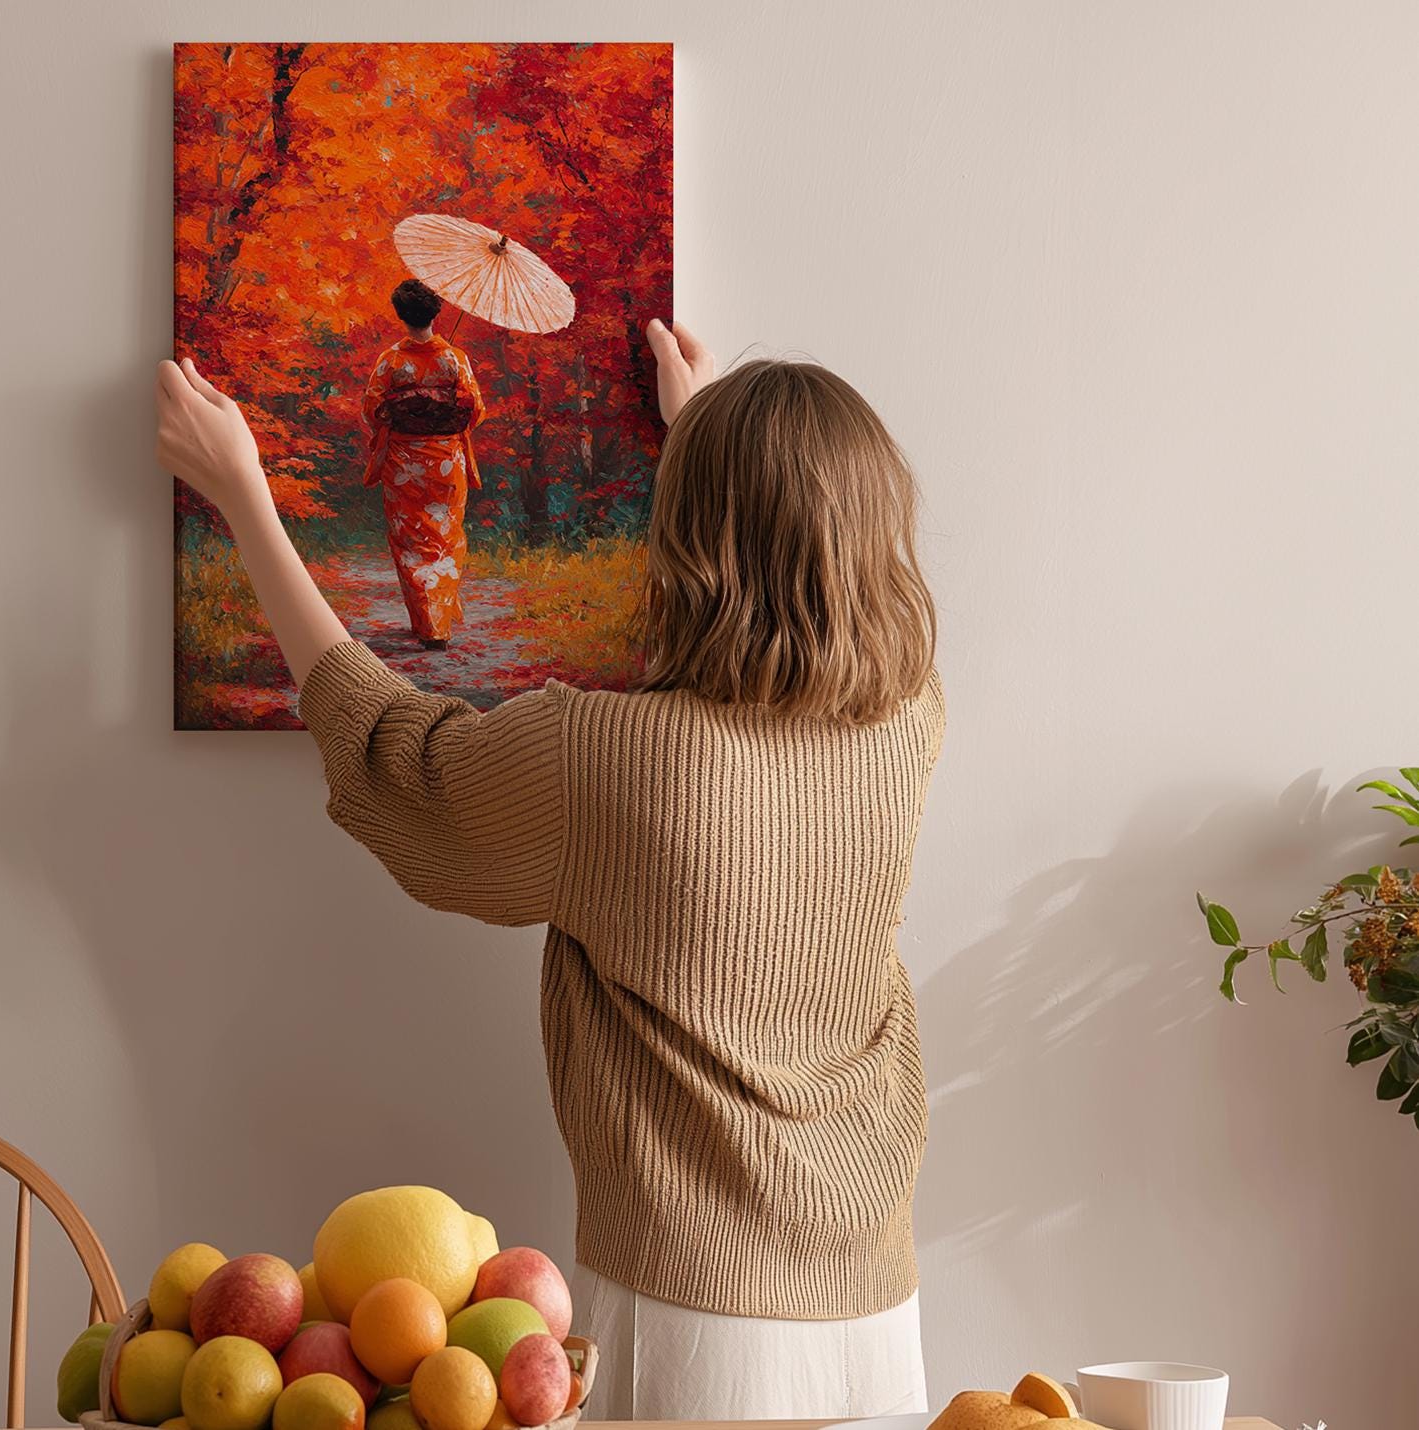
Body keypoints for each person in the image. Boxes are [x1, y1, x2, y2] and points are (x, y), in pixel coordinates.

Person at [154, 317, 943, 1420]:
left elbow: (396, 754)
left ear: (688, 534)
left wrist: (244, 496)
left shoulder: (602, 759)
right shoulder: (907, 722)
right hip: (875, 1299)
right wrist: (701, 434)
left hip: (691, 1312)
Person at [359, 278, 486, 650]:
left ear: (401, 315)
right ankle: (439, 616)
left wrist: (407, 409)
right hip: (446, 459)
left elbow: (373, 410)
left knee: (410, 539)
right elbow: (474, 410)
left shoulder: (391, 360)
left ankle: (428, 622)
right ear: (436, 312)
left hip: (404, 461)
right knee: (445, 537)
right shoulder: (454, 358)